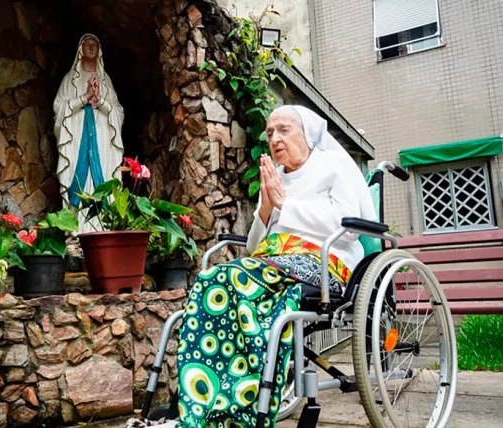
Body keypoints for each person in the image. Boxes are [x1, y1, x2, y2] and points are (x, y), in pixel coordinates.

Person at [148, 105, 376, 428]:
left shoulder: (333, 165)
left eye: (284, 130)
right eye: (270, 133)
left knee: (235, 278)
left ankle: (245, 403)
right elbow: (255, 247)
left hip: (325, 263)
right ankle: (207, 404)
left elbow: (350, 225)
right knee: (215, 280)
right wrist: (266, 210)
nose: (275, 138)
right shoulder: (275, 178)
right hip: (272, 263)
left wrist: (287, 205)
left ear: (306, 132)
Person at [53, 34, 125, 234]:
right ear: (80, 49)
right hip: (77, 140)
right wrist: (84, 98)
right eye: (87, 44)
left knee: (101, 180)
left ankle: (103, 229)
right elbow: (58, 109)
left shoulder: (105, 80)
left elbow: (118, 112)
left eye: (95, 44)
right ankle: (75, 233)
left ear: (99, 50)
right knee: (77, 179)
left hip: (101, 141)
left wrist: (100, 101)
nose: (91, 48)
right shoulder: (70, 80)